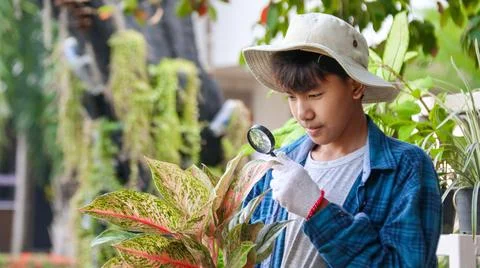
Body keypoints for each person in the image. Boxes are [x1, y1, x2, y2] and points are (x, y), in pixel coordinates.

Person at [242, 13, 441, 267]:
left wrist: (317, 209)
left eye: (315, 94)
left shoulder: (406, 168)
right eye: (292, 97)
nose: (303, 113)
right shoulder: (280, 168)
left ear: (356, 86)